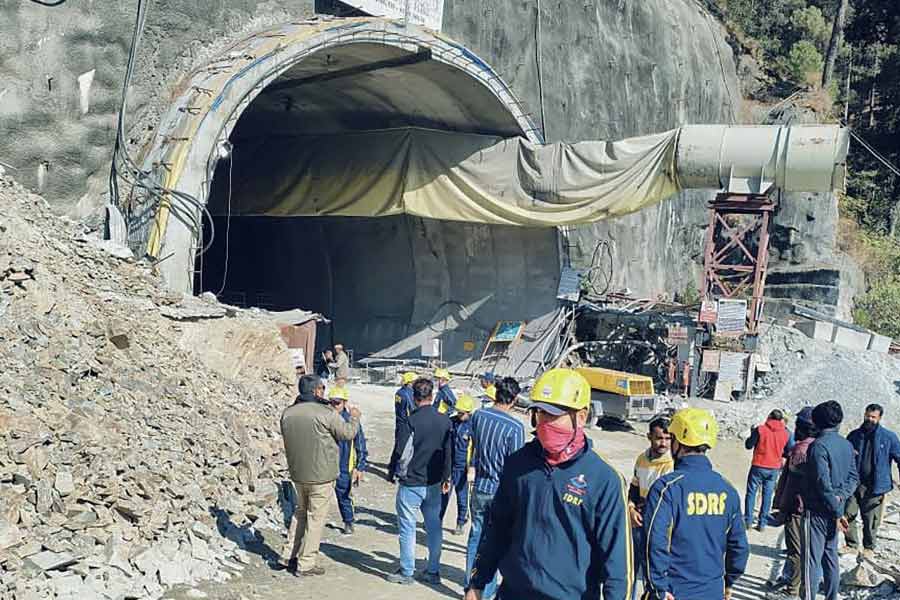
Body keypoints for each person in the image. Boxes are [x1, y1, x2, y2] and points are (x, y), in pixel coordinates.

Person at [466, 369, 632, 600]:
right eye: (540, 413)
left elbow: (618, 563)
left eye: (554, 415)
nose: (544, 422)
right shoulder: (518, 464)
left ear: (581, 417)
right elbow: (497, 529)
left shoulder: (605, 480)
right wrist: (477, 582)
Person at [643, 407, 749, 600]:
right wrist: (729, 581)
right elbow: (739, 547)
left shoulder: (666, 488)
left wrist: (657, 587)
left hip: (673, 591)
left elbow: (654, 542)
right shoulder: (728, 490)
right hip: (712, 591)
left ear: (679, 442)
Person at [279, 375, 361, 576]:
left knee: (300, 514)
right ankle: (306, 563)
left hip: (298, 473)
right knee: (315, 519)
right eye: (322, 388)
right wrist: (355, 417)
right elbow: (347, 434)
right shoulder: (327, 413)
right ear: (316, 391)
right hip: (322, 475)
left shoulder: (288, 413)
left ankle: (288, 554)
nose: (324, 392)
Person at [464, 376, 526, 599]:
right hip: (500, 491)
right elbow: (516, 466)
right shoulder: (515, 428)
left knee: (475, 536)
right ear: (515, 399)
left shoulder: (480, 416)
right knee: (496, 542)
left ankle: (469, 584)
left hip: (480, 485)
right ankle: (487, 591)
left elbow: (475, 446)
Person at [388, 378, 452, 586]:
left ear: (414, 399)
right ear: (432, 396)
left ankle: (407, 571)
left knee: (407, 527)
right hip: (434, 483)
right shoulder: (445, 421)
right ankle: (433, 571)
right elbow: (449, 452)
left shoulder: (411, 421)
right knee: (434, 527)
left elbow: (400, 450)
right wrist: (447, 477)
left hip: (412, 483)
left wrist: (392, 470)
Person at [801, 400, 859, 600]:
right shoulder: (847, 444)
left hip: (816, 510)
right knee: (830, 557)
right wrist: (840, 499)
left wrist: (836, 505)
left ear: (817, 422)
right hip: (835, 511)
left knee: (811, 560)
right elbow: (853, 478)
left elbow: (822, 484)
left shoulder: (818, 446)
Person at [769, 406, 816, 600]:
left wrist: (782, 509)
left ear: (804, 428)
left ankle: (792, 590)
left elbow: (791, 486)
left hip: (796, 509)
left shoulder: (800, 449)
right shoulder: (815, 445)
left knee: (795, 550)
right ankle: (791, 580)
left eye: (797, 425)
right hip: (808, 509)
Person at [843, 403, 900, 558]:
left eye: (873, 417)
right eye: (867, 416)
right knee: (848, 514)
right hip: (854, 484)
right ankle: (851, 544)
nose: (869, 419)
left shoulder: (889, 437)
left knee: (870, 519)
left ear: (879, 418)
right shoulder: (854, 436)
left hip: (875, 486)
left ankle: (869, 547)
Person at [627, 418, 674, 600]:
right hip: (639, 522)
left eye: (668, 438)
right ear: (649, 437)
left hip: (659, 526)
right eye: (659, 438)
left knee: (653, 573)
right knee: (631, 569)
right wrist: (631, 508)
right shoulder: (642, 459)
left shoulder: (672, 464)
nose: (663, 443)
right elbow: (634, 488)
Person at [744, 409, 791, 531]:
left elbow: (748, 445)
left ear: (769, 416)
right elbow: (789, 450)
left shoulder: (760, 429)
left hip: (758, 465)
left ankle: (748, 521)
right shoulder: (786, 433)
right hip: (774, 468)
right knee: (767, 495)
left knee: (751, 493)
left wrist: (752, 433)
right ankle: (762, 523)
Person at [330, 386, 368, 536]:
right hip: (326, 465)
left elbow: (360, 445)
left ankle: (348, 521)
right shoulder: (325, 419)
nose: (334, 406)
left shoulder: (351, 421)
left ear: (344, 402)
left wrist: (360, 467)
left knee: (343, 495)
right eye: (331, 402)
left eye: (337, 403)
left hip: (344, 465)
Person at [441, 393, 475, 535]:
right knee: (443, 495)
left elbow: (475, 449)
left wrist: (471, 468)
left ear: (469, 413)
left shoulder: (473, 426)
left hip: (463, 468)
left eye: (462, 414)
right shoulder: (452, 422)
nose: (459, 415)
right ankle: (437, 520)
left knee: (462, 498)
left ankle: (461, 522)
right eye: (458, 412)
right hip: (450, 466)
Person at [388, 371, 418, 480]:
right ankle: (397, 472)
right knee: (403, 448)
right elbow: (412, 409)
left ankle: (391, 469)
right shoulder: (408, 394)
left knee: (398, 446)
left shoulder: (399, 392)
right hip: (406, 424)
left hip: (399, 422)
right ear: (410, 382)